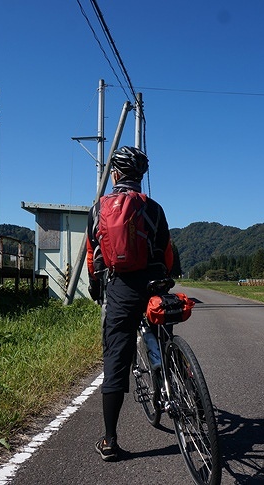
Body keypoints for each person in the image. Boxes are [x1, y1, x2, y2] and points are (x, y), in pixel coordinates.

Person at [86, 146, 174, 461]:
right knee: (163, 327)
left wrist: (97, 288)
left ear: (116, 174)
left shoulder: (98, 209)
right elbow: (166, 251)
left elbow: (93, 256)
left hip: (120, 289)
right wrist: (166, 278)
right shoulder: (154, 208)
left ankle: (110, 441)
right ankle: (172, 375)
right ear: (140, 177)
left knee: (116, 362)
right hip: (151, 285)